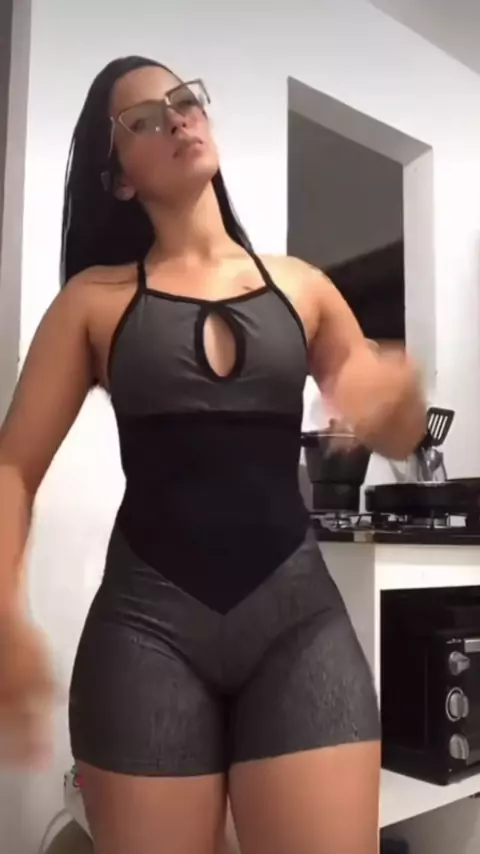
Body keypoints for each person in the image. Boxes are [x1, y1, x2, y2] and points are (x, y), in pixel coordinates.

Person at [0, 55, 426, 854]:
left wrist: (399, 396)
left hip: (298, 624)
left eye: (184, 100)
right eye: (144, 119)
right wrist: (4, 617)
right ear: (119, 178)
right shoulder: (92, 301)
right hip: (145, 632)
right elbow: (12, 469)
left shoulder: (303, 286)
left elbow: (397, 432)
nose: (177, 117)